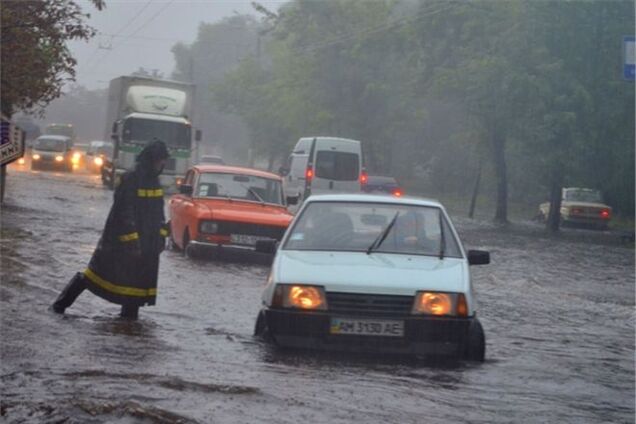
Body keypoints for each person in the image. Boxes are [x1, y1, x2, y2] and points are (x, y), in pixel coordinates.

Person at [51, 140, 171, 319]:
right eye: (160, 161)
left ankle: (128, 323)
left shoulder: (155, 184)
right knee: (94, 276)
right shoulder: (130, 179)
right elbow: (124, 212)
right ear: (152, 160)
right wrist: (132, 241)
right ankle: (59, 306)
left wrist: (162, 236)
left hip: (147, 246)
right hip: (119, 243)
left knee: (136, 287)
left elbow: (159, 214)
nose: (162, 165)